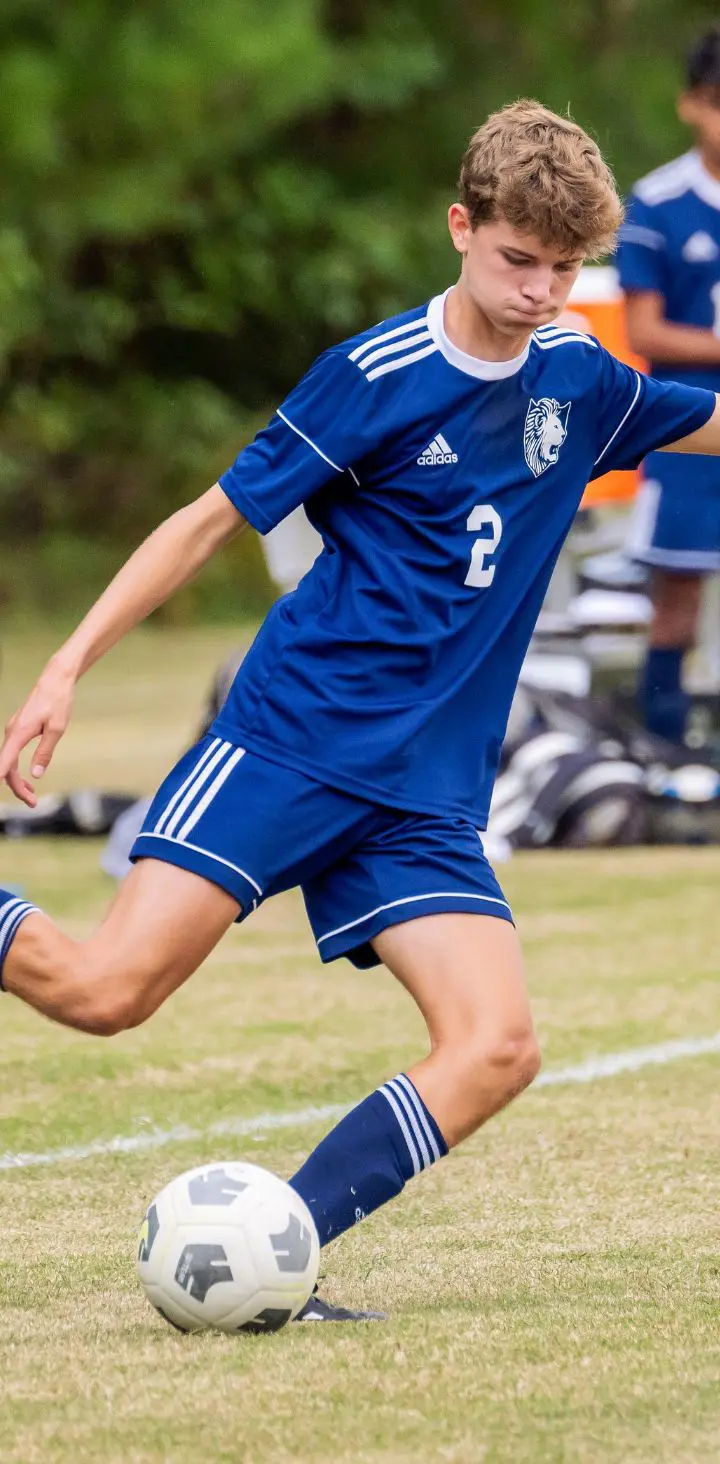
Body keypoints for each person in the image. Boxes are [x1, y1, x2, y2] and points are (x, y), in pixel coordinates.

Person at [2, 101, 719, 1324]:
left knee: (497, 1048)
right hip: (293, 742)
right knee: (102, 993)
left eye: (564, 268)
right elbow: (207, 522)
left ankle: (279, 1244)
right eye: (517, 260)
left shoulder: (580, 381)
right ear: (462, 225)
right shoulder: (375, 377)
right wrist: (65, 666)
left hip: (426, 796)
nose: (542, 291)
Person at [618, 27, 720, 743]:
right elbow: (644, 331)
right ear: (691, 105)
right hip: (688, 424)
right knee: (677, 595)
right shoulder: (657, 202)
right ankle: (661, 744)